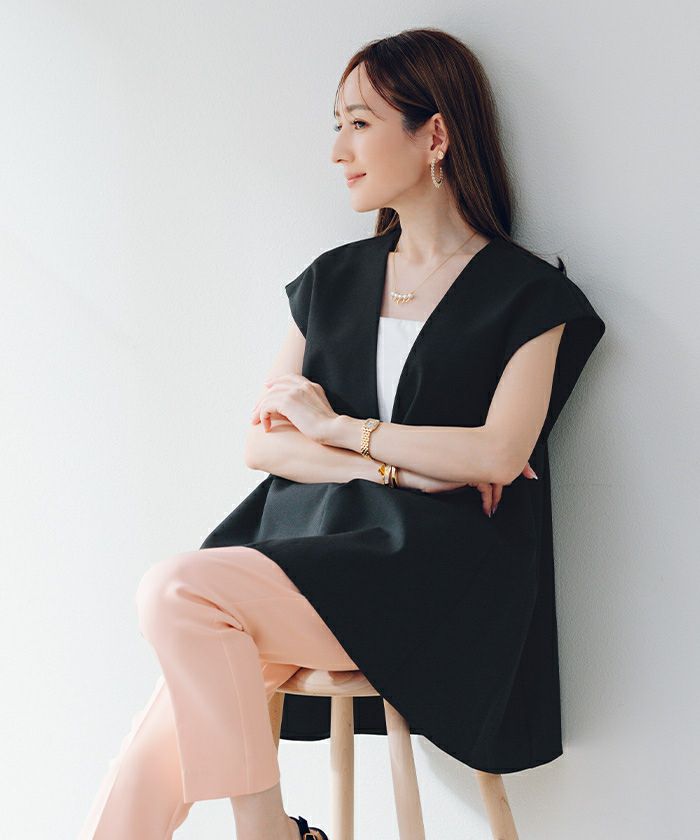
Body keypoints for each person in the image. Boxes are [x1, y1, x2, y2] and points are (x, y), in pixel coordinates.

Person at [79, 27, 606, 840]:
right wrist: (403, 467)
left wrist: (340, 430)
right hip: (310, 556)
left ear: (434, 135)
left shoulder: (528, 296)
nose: (337, 151)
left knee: (178, 593)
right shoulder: (333, 281)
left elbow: (498, 453)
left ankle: (268, 834)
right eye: (338, 125)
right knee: (157, 732)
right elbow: (263, 445)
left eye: (359, 124)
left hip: (432, 580)